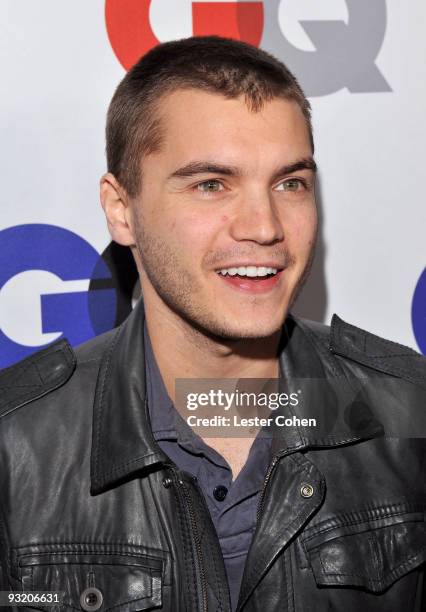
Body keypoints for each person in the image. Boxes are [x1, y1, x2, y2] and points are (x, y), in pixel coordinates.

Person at [0, 36, 425, 612]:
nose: (265, 226)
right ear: (121, 209)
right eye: (210, 185)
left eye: (289, 182)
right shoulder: (16, 445)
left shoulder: (410, 413)